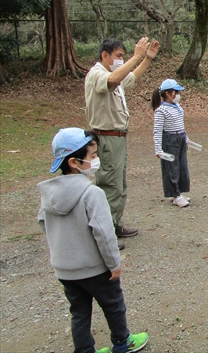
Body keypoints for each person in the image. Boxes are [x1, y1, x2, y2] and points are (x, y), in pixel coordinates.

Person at [37, 128, 149, 353]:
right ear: (73, 162)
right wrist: (114, 263)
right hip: (95, 268)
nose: (97, 160)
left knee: (79, 313)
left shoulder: (49, 193)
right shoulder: (92, 193)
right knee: (113, 305)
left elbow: (43, 222)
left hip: (65, 270)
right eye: (92, 156)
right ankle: (122, 342)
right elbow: (104, 234)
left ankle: (84, 350)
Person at [85, 37, 160, 249]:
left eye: (123, 56)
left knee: (119, 185)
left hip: (118, 138)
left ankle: (115, 225)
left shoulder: (114, 77)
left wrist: (146, 59)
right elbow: (113, 80)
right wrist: (136, 56)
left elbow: (130, 78)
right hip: (106, 138)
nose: (121, 60)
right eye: (119, 56)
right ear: (105, 55)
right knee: (109, 185)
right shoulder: (97, 74)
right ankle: (105, 234)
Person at [152, 79, 191, 208]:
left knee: (181, 166)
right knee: (171, 168)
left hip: (179, 138)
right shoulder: (161, 110)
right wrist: (158, 149)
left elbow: (181, 125)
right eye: (176, 92)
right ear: (168, 93)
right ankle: (175, 194)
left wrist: (186, 137)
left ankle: (179, 192)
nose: (179, 95)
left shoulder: (177, 107)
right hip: (170, 140)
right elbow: (157, 130)